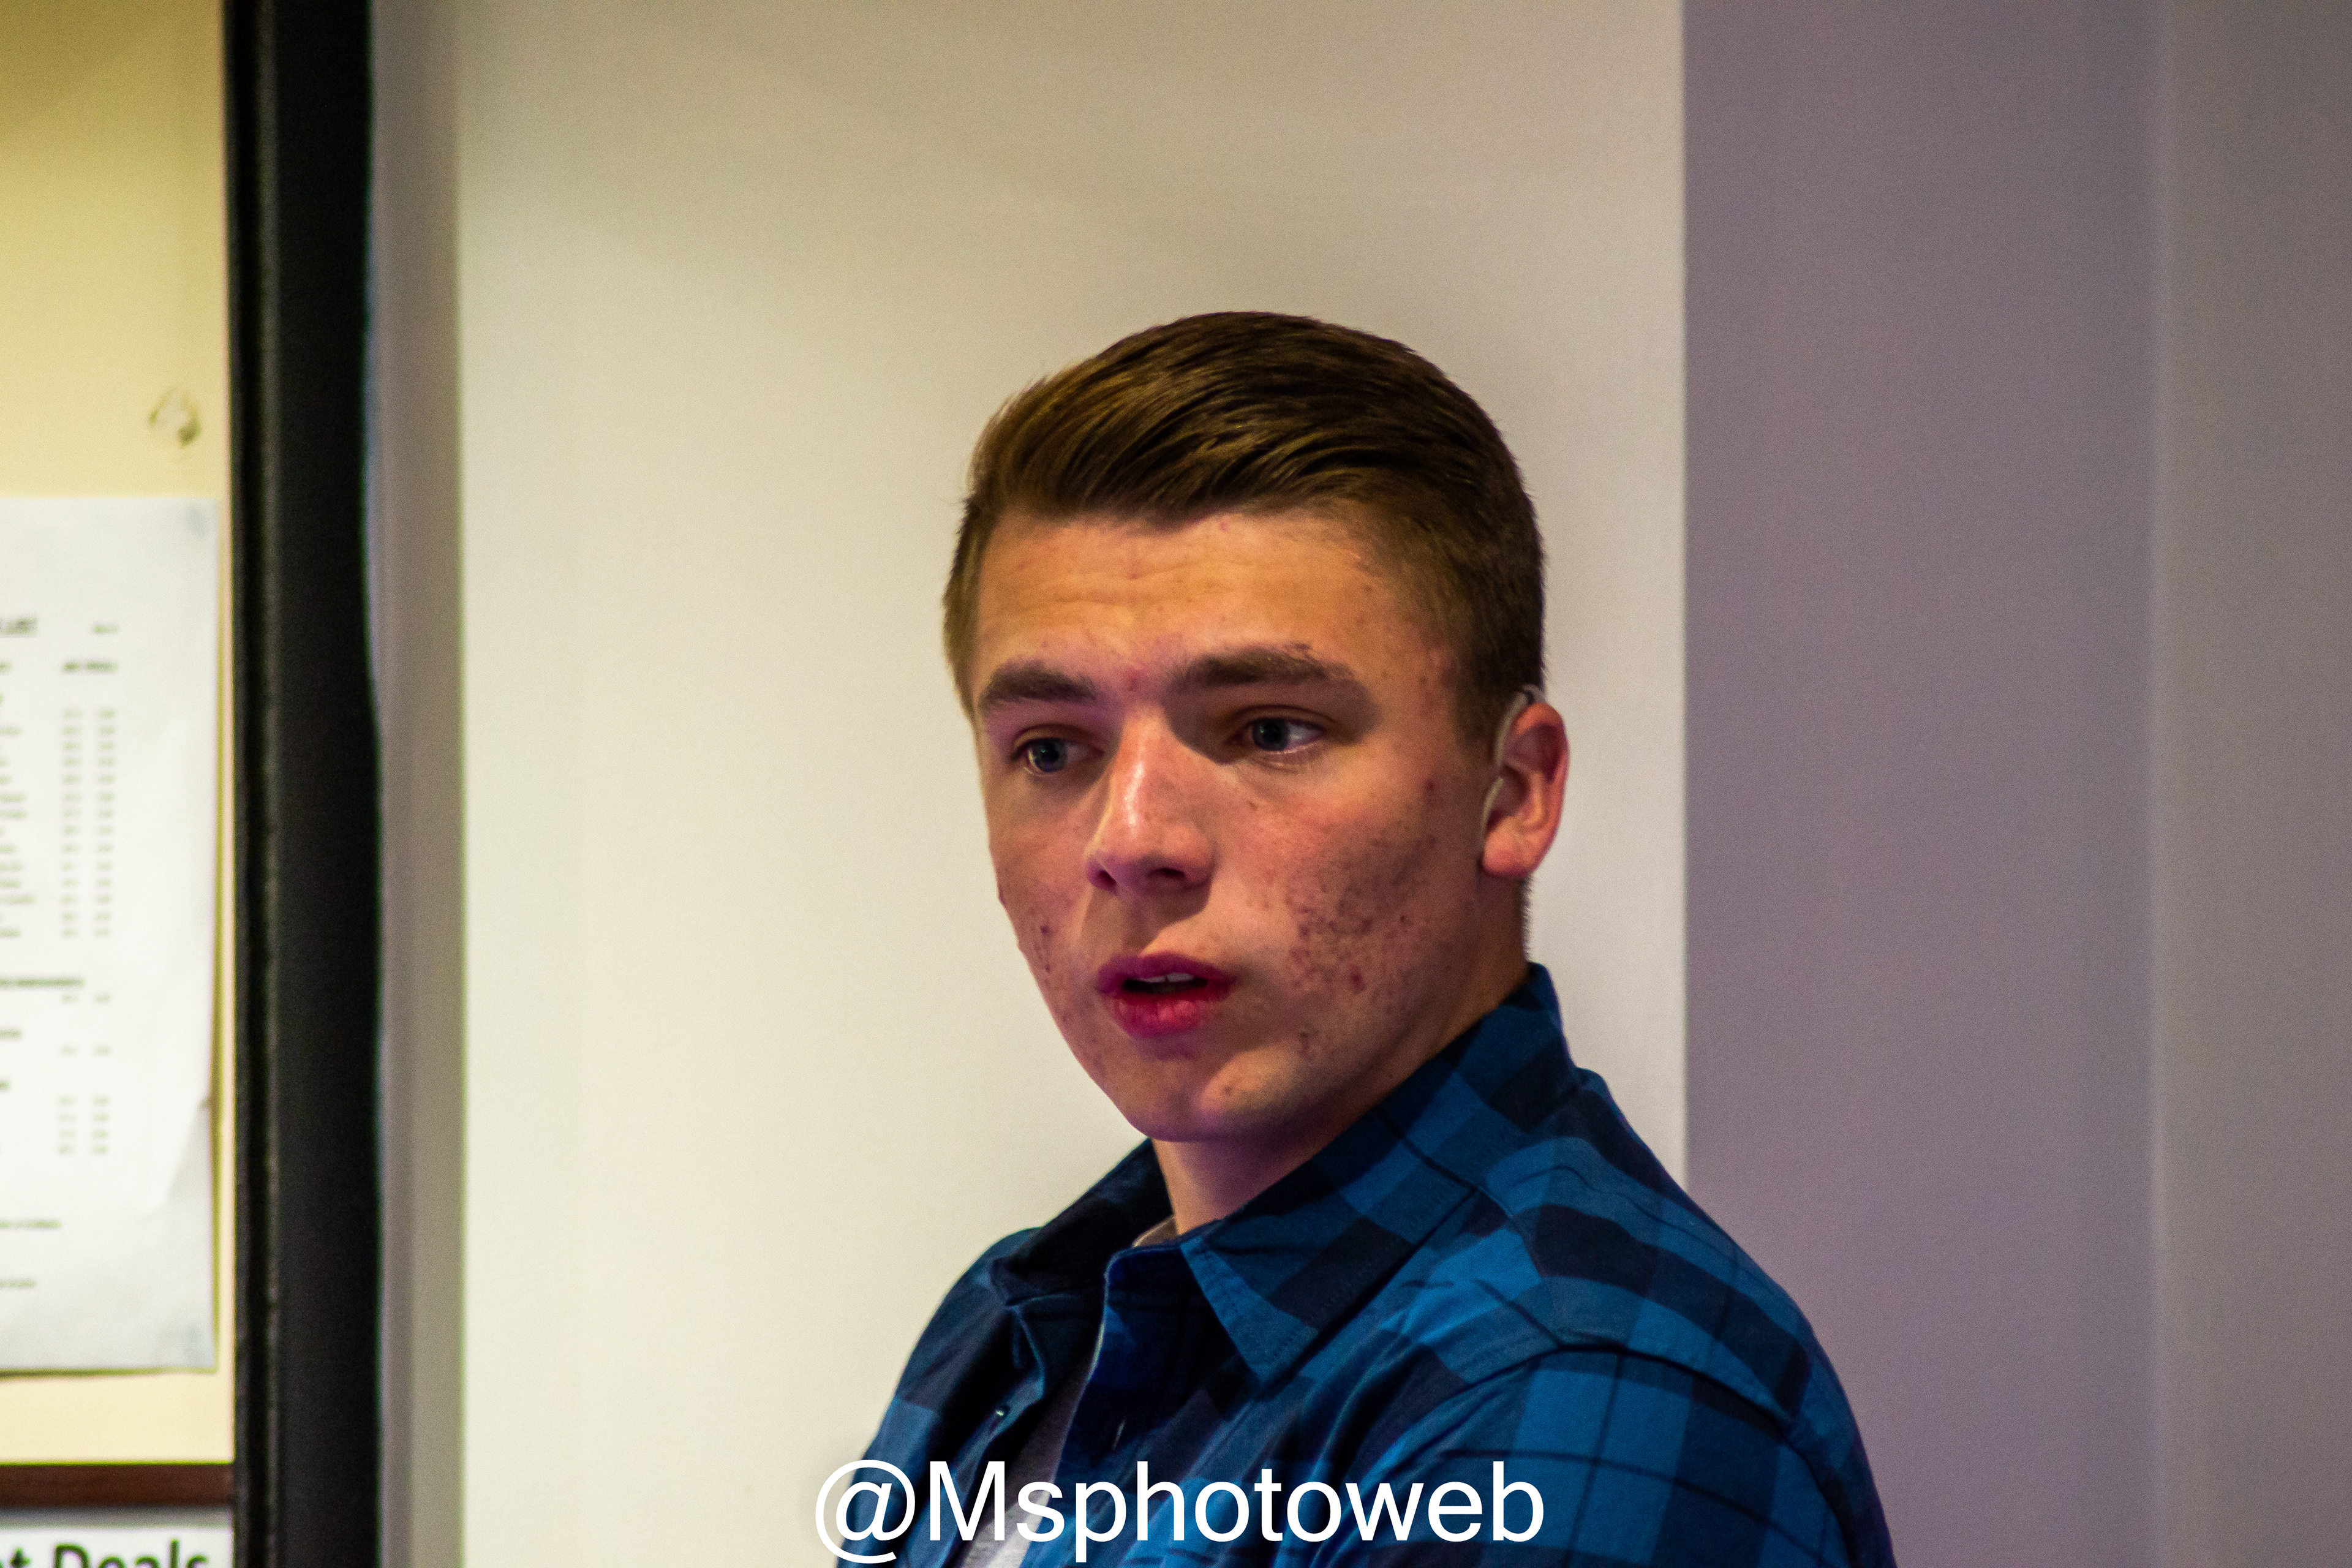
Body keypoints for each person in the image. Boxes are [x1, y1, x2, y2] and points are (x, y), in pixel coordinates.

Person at [848, 314, 1894, 1566]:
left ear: (1512, 791)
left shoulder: (1568, 1396)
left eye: (1269, 731)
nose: (1131, 840)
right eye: (1051, 749)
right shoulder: (1018, 1318)